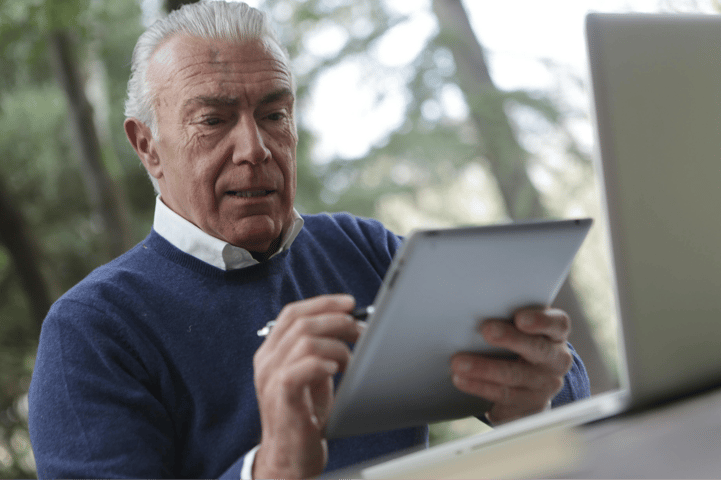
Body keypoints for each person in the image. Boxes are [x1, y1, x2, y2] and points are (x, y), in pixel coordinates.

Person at [28, 1, 590, 478]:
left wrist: (535, 398)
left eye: (274, 113)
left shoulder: (361, 248)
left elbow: (568, 413)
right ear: (147, 145)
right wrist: (271, 466)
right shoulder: (91, 331)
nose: (255, 148)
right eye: (214, 120)